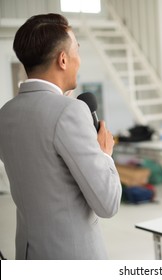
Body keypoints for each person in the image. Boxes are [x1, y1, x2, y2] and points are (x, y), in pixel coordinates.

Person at [0, 14, 122, 259]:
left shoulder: (6, 113)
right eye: (77, 48)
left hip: (27, 254)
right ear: (63, 59)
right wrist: (104, 155)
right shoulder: (70, 111)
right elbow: (108, 203)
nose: (80, 58)